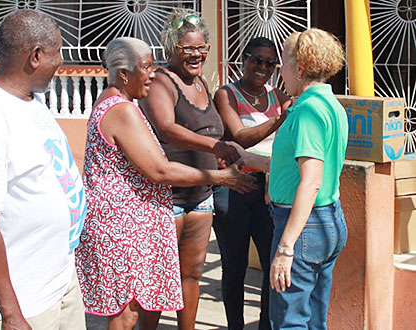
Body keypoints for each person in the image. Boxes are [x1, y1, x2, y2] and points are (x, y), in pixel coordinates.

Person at [76, 36, 257, 330]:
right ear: (124, 74)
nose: (152, 74)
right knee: (127, 313)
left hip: (121, 225)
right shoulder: (122, 110)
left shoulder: (112, 100)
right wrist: (219, 177)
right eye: (146, 67)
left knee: (127, 309)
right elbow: (159, 171)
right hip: (122, 228)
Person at [0, 10, 86, 330]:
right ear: (36, 56)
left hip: (56, 281)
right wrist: (11, 314)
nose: (61, 61)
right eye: (57, 52)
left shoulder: (30, 101)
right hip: (20, 304)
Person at [139, 10, 246, 329]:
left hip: (201, 197)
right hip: (167, 198)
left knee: (192, 275)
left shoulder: (201, 82)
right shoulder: (162, 80)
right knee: (159, 278)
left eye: (202, 47)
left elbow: (216, 131)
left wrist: (229, 150)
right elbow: (168, 128)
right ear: (172, 49)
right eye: (187, 49)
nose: (196, 54)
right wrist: (215, 147)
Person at [268, 28, 347, 330]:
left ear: (299, 67)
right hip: (326, 220)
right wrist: (247, 159)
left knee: (290, 321)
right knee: (314, 318)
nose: (280, 70)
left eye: (283, 62)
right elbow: (302, 165)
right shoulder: (331, 105)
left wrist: (285, 248)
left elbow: (311, 181)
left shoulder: (308, 112)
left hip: (303, 225)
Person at [212, 37, 291, 330]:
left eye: (270, 63)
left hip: (267, 190)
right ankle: (235, 326)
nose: (262, 67)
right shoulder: (226, 94)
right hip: (232, 186)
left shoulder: (279, 96)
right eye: (256, 59)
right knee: (235, 266)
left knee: (273, 263)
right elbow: (240, 136)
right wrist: (280, 120)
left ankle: (265, 327)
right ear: (243, 60)